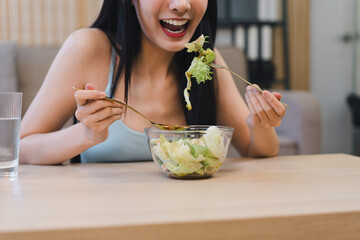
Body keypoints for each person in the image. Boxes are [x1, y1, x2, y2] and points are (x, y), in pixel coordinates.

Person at [19, 0, 286, 165]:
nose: (181, 4)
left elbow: (259, 152)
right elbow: (21, 148)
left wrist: (261, 124)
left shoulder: (207, 61)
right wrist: (85, 134)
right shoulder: (87, 47)